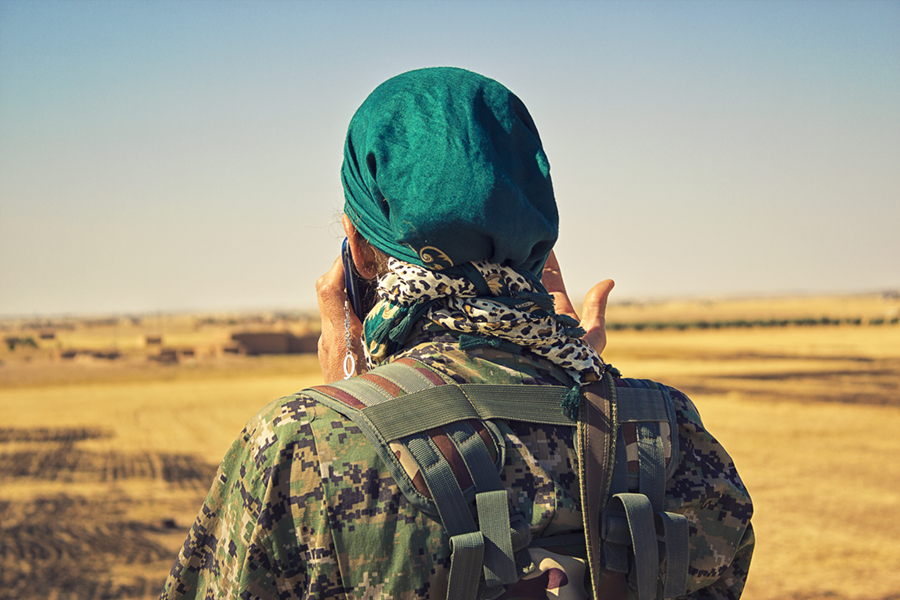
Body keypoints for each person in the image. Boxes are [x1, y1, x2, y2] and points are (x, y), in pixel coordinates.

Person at [160, 67, 753, 600]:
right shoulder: (670, 433)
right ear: (537, 243)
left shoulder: (300, 445)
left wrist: (351, 402)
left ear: (359, 250)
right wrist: (579, 382)